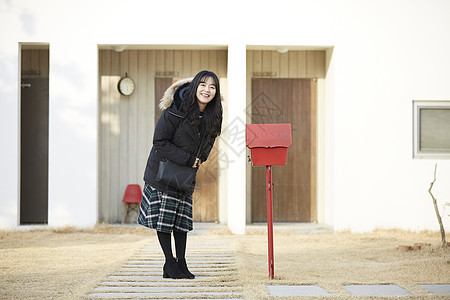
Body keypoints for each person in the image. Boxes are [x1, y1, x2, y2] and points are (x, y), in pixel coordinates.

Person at [138, 70, 223, 279]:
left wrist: (200, 158)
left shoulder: (213, 115)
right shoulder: (175, 109)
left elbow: (211, 139)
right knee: (165, 221)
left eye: (212, 87)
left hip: (184, 175)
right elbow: (159, 142)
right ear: (195, 87)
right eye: (203, 85)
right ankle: (169, 263)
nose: (207, 90)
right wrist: (188, 159)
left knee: (181, 222)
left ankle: (181, 262)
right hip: (162, 172)